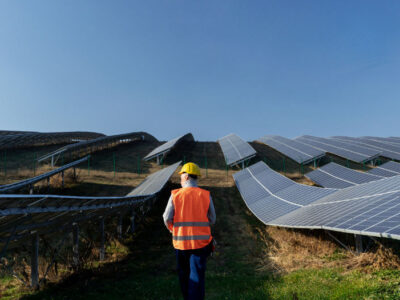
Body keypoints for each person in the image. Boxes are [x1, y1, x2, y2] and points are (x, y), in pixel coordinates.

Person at [163, 162, 216, 300]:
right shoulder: (205, 195)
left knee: (184, 274)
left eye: (181, 176)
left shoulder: (175, 195)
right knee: (197, 276)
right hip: (200, 243)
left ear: (186, 177)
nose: (180, 179)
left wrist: (172, 230)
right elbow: (212, 218)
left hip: (180, 244)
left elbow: (166, 217)